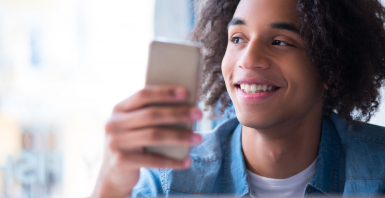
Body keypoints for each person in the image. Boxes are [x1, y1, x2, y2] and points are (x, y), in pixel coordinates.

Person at [92, 0, 385, 197]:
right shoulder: (170, 180)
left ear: (330, 67)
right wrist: (111, 182)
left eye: (280, 42)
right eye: (237, 39)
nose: (249, 59)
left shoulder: (378, 171)